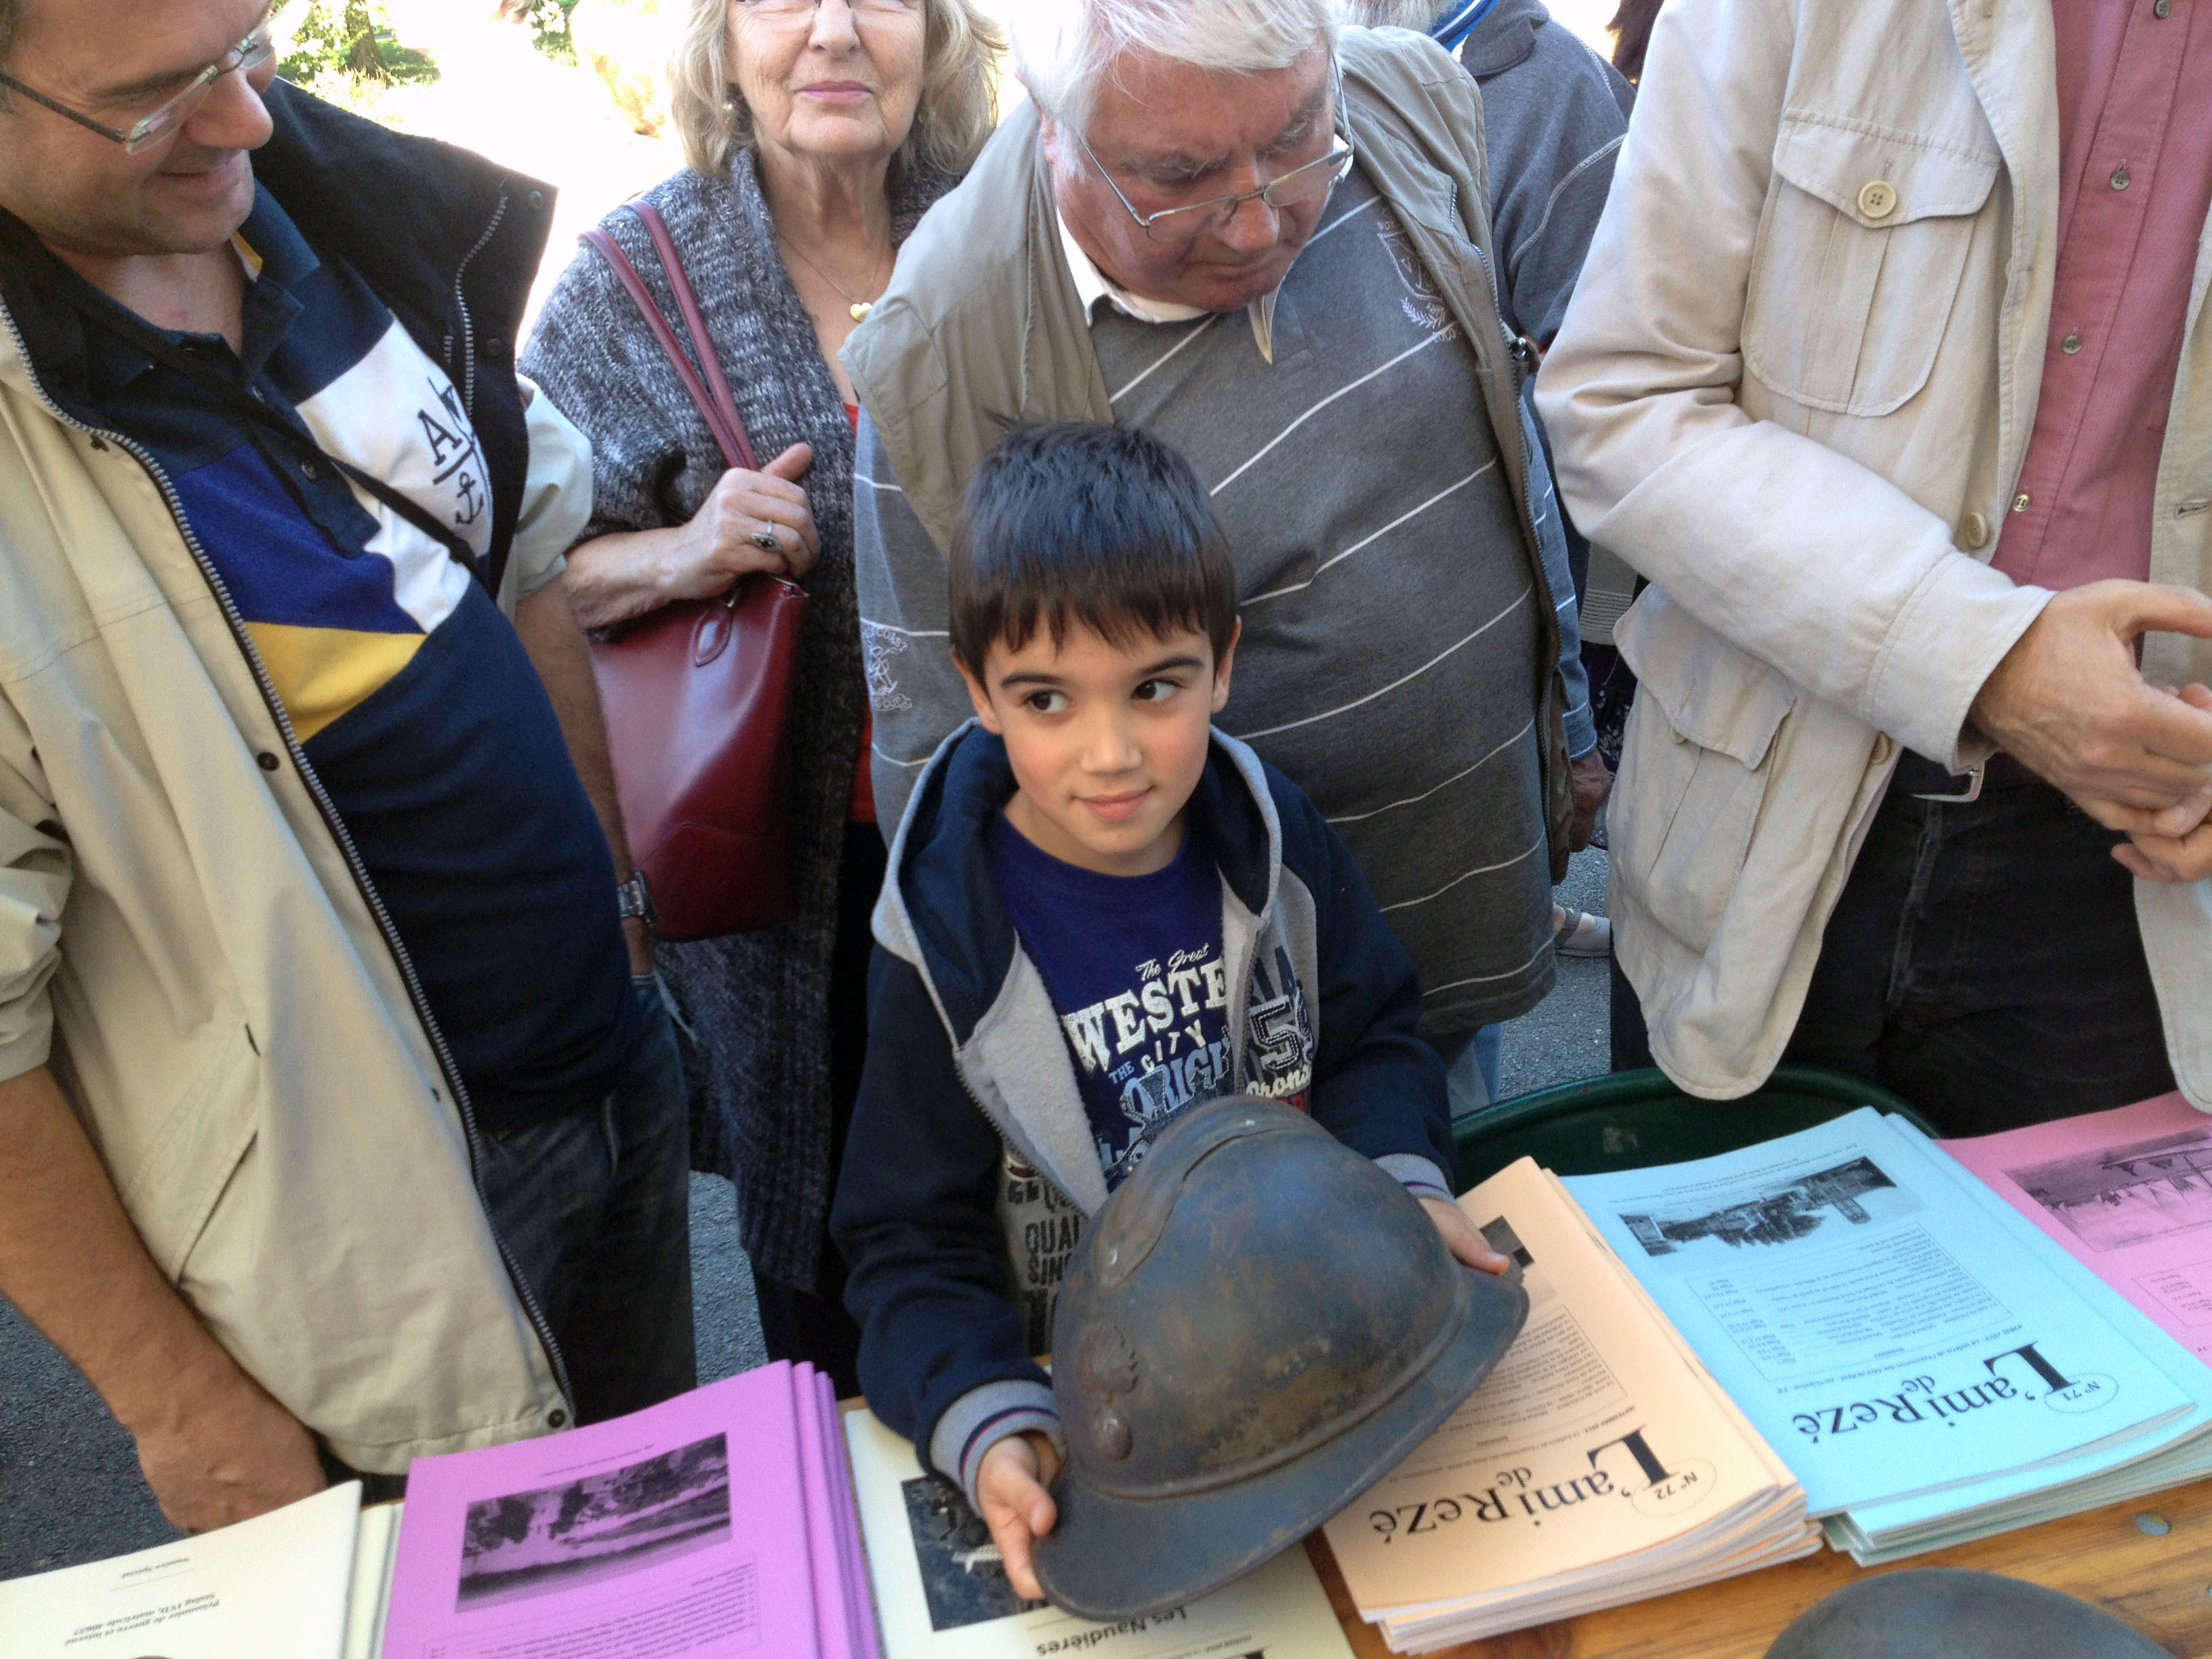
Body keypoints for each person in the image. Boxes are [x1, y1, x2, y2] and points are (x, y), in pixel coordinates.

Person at [0, 0, 691, 1530]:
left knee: (662, 1569)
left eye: (251, 41)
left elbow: (524, 547)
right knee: (472, 1615)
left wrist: (618, 909)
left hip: (608, 1058)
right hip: (370, 1240)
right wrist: (177, 1403)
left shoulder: (318, 200)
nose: (248, 118)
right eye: (156, 98)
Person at [846, 1, 1591, 1122]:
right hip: (1226, 1034)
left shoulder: (1403, 101)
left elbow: (1503, 448)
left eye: (1294, 140)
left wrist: (1569, 727)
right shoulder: (943, 351)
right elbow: (939, 767)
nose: (1257, 225)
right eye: (1181, 176)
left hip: (1461, 916)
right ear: (1055, 126)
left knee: (1445, 1137)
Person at [830, 422, 1512, 1597]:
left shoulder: (1276, 842)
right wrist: (985, 1416)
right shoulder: (935, 944)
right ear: (977, 691)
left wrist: (1403, 1190)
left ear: (1222, 664)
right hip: (1111, 1432)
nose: (1111, 754)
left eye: (1154, 689)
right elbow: (905, 1244)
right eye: (1048, 699)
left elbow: (1376, 1042)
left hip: (1317, 1353)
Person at [1536, 0, 2212, 1130]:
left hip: (2147, 853)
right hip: (1763, 790)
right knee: (1710, 1224)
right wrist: (1983, 659)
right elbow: (1621, 397)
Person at [523, 0, 1002, 1395]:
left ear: (937, 32)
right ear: (723, 40)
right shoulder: (632, 281)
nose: (835, 32)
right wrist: (679, 552)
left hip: (1027, 843)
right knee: (842, 1280)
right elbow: (515, 573)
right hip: (797, 904)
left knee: (1045, 1228)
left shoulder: (1009, 224)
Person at [1347, 0, 1633, 945]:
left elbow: (1591, 388)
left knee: (1449, 970)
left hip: (1479, 629)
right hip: (1326, 643)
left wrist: (1568, 722)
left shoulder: (1552, 88)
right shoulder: (1286, 73)